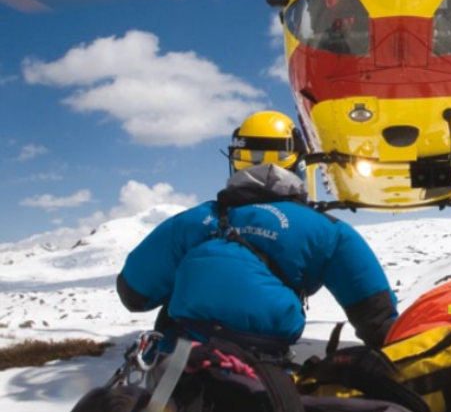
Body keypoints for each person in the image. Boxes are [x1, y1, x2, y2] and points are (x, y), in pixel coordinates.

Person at [117, 111, 397, 354]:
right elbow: (379, 321)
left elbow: (133, 295)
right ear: (299, 164)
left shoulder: (190, 222)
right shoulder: (330, 232)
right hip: (264, 376)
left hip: (175, 369)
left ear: (237, 160)